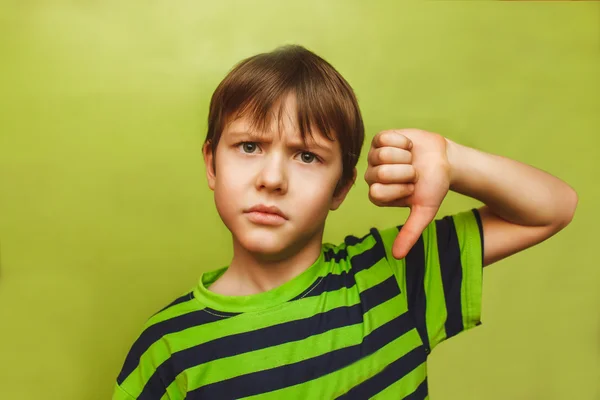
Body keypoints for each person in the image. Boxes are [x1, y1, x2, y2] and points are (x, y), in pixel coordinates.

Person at [112, 45, 577, 400]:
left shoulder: (392, 276)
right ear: (212, 164)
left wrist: (455, 160)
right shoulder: (167, 349)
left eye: (308, 155)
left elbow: (552, 208)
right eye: (249, 146)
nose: (272, 179)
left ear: (341, 188)